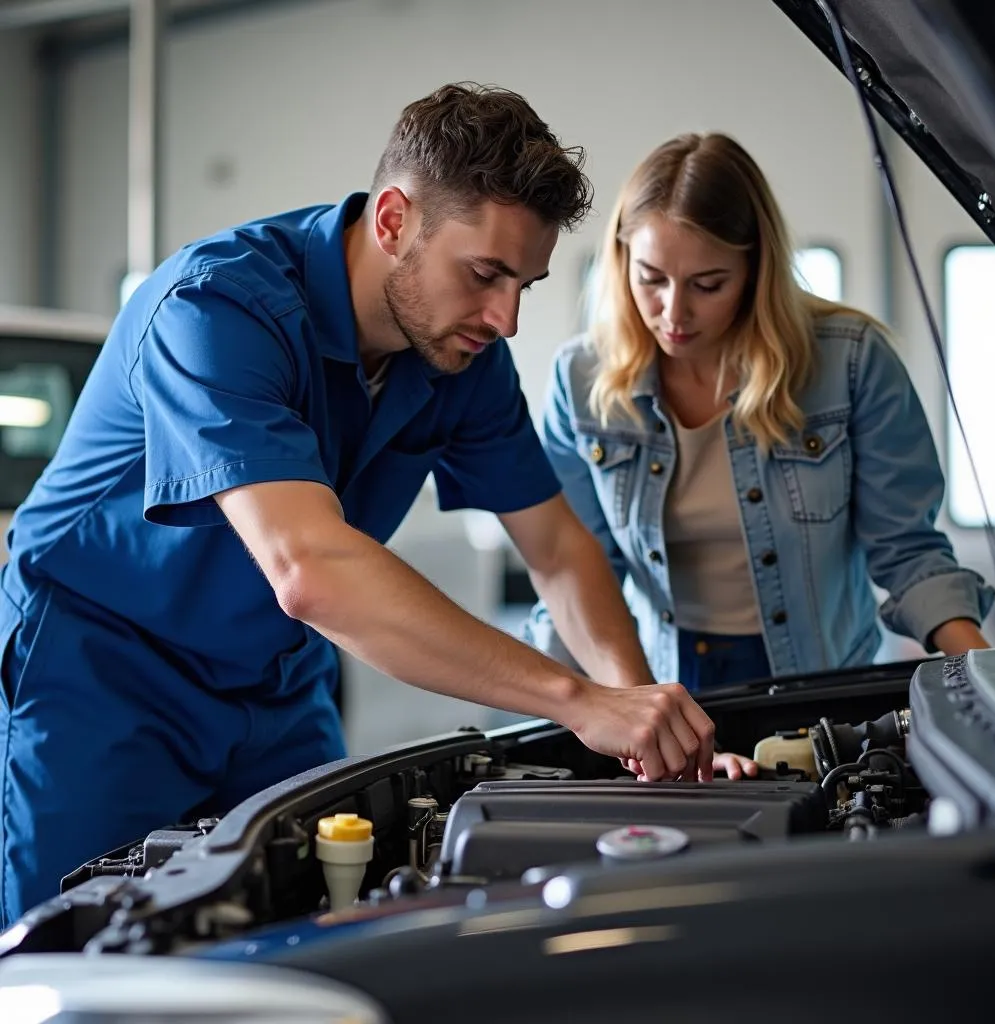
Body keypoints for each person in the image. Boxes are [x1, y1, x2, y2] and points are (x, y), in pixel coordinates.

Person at [0, 86, 718, 926]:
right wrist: (577, 700)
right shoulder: (215, 309)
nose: (507, 318)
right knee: (77, 959)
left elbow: (555, 547)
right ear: (391, 222)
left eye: (525, 283)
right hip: (103, 680)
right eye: (485, 274)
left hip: (276, 688)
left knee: (314, 935)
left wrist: (640, 721)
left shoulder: (463, 356)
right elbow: (311, 571)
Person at [525, 132, 994, 696]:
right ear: (621, 259)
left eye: (708, 284)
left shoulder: (850, 361)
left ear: (755, 270)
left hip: (820, 680)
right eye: (651, 278)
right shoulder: (581, 379)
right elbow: (579, 568)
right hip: (657, 676)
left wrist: (989, 675)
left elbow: (907, 550)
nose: (674, 312)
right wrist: (562, 699)